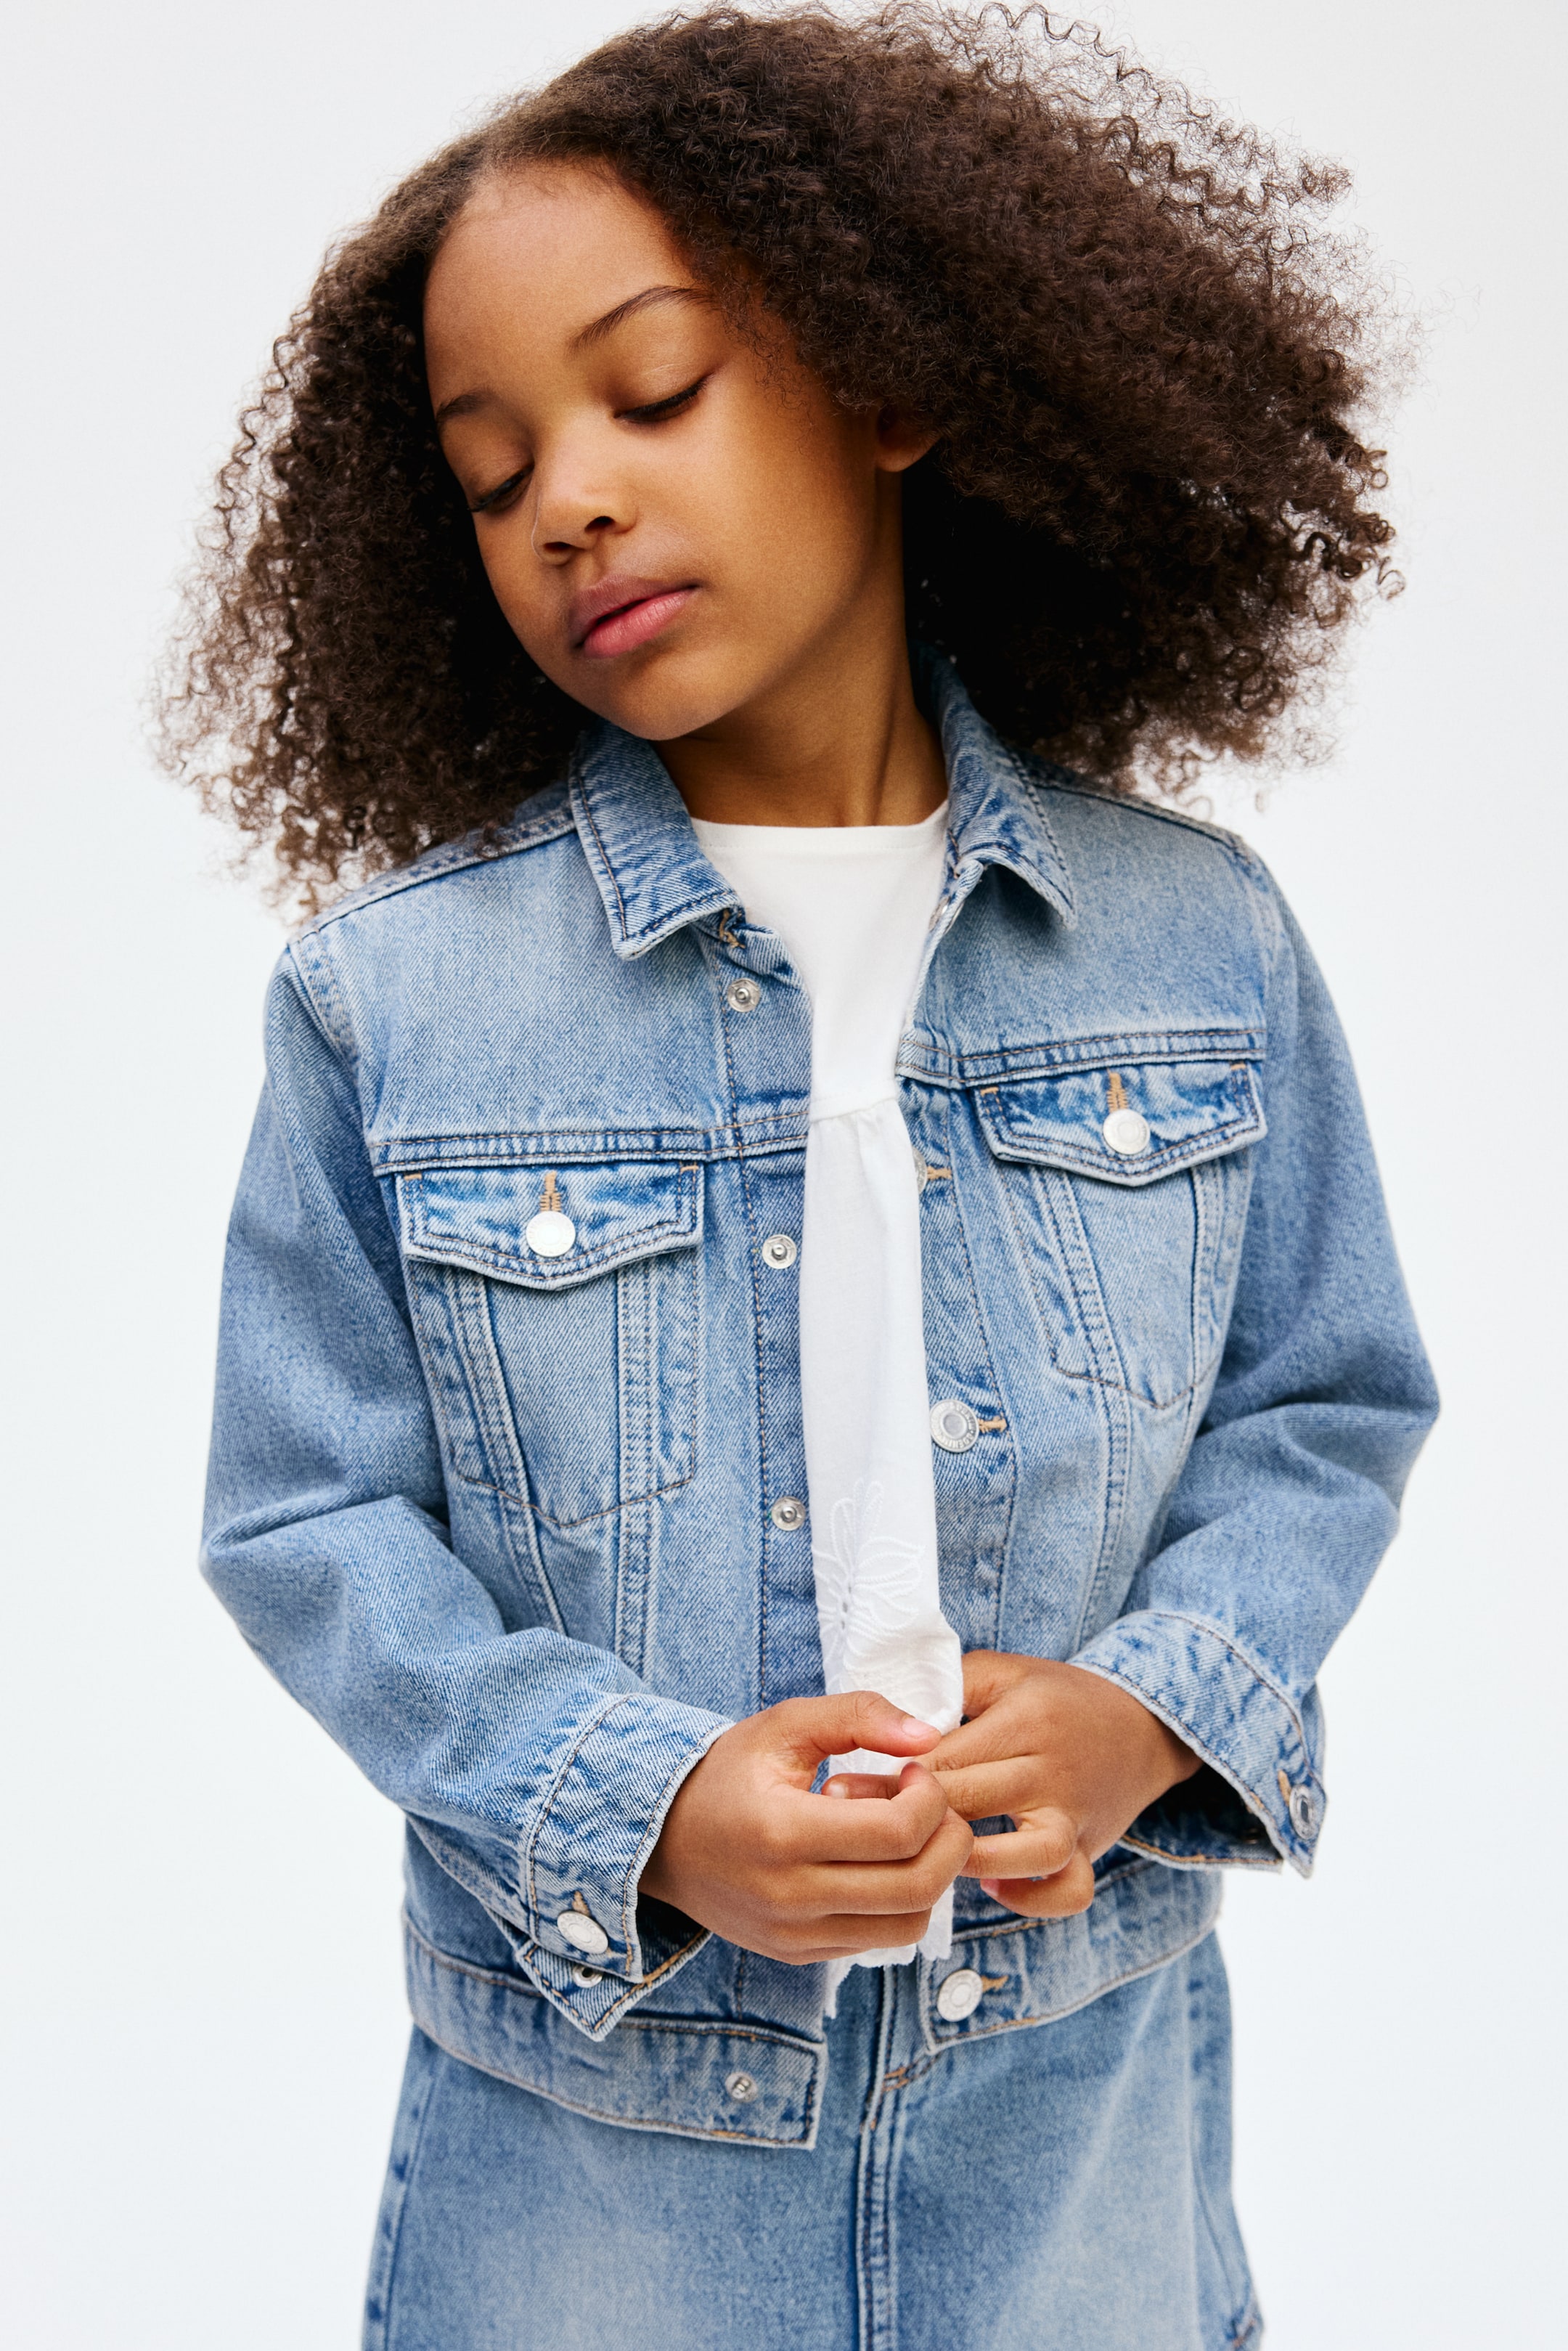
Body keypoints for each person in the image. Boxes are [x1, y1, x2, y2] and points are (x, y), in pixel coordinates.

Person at [163, 9, 1437, 2345]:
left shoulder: (1198, 945)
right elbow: (307, 1518)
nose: (569, 499)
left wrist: (1146, 1715)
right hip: (596, 2184)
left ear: (887, 384)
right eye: (492, 473)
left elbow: (1324, 1405)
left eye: (652, 390)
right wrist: (640, 1804)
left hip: (1078, 2155)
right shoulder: (393, 1004)